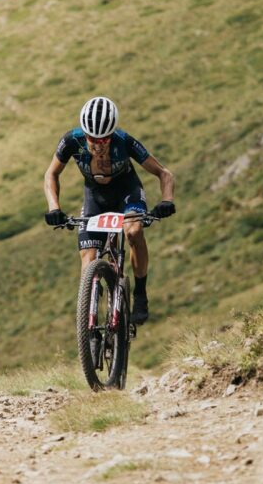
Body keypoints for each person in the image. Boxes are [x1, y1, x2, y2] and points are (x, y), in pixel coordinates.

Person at [43, 96, 175, 324]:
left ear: (111, 134)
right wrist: (54, 207)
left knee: (133, 231)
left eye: (103, 139)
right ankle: (90, 311)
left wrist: (166, 200)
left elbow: (164, 173)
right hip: (95, 197)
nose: (97, 144)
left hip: (127, 192)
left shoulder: (124, 141)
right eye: (91, 138)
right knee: (88, 258)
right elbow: (51, 174)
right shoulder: (71, 140)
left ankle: (140, 294)